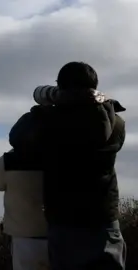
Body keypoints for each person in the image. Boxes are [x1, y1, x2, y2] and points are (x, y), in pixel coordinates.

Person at [9, 62, 127, 270]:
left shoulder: (49, 122)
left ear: (61, 88)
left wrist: (44, 108)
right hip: (105, 221)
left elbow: (17, 136)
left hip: (65, 221)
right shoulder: (117, 123)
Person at [0, 149, 49, 270]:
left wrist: (17, 148)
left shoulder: (12, 159)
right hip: (62, 231)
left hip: (23, 236)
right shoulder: (61, 152)